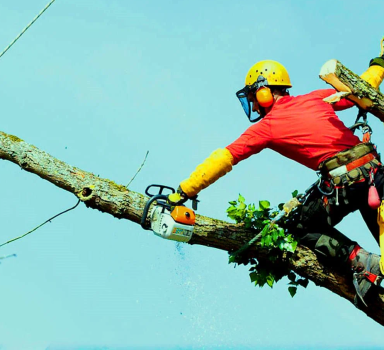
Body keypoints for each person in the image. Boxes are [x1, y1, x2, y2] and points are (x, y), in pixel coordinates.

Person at [168, 52, 384, 307]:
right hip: (376, 174)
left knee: (300, 227)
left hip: (345, 183)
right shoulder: (316, 98)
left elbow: (224, 158)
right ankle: (370, 269)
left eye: (253, 98)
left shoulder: (267, 126)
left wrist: (184, 191)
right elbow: (362, 86)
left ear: (263, 91)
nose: (255, 106)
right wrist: (379, 62)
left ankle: (361, 262)